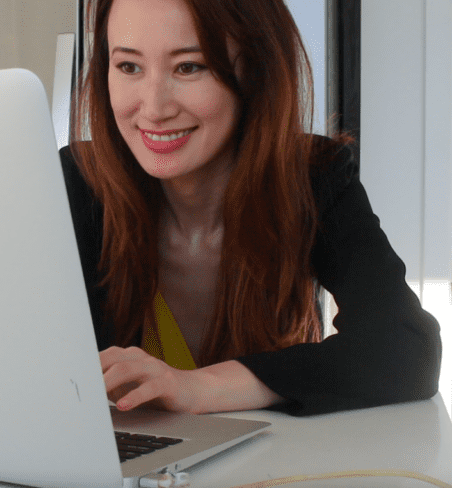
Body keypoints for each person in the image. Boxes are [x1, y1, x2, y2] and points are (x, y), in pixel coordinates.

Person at [59, 0, 442, 417]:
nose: (154, 108)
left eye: (189, 66)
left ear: (255, 71)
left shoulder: (313, 177)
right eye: (129, 67)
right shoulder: (77, 183)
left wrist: (201, 387)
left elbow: (407, 347)